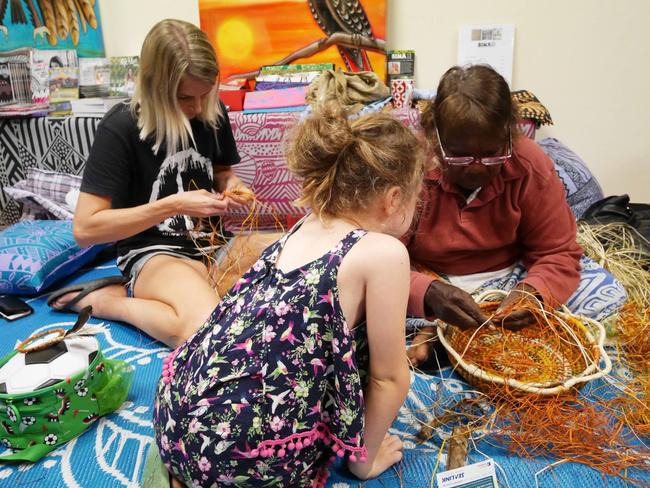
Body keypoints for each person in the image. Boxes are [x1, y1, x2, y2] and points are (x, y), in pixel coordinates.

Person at [153, 104, 425, 486]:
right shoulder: (384, 252)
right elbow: (389, 378)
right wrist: (364, 462)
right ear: (394, 199)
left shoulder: (307, 223)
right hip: (236, 457)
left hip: (174, 416)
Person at [406, 65, 626, 366]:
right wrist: (427, 291)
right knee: (362, 309)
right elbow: (374, 254)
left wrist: (533, 294)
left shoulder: (529, 163)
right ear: (436, 139)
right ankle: (435, 333)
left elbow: (558, 251)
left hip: (512, 274)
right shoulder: (409, 166)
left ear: (510, 136)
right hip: (431, 276)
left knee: (608, 293)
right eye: (459, 155)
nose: (477, 168)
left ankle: (447, 340)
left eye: (492, 154)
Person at [48, 19, 248, 348]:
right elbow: (85, 229)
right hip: (154, 251)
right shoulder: (121, 127)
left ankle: (197, 289)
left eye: (205, 93)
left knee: (301, 281)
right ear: (156, 88)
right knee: (210, 338)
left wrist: (232, 184)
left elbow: (221, 170)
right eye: (185, 97)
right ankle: (111, 303)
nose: (197, 108)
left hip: (215, 245)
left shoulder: (210, 111)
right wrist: (174, 204)